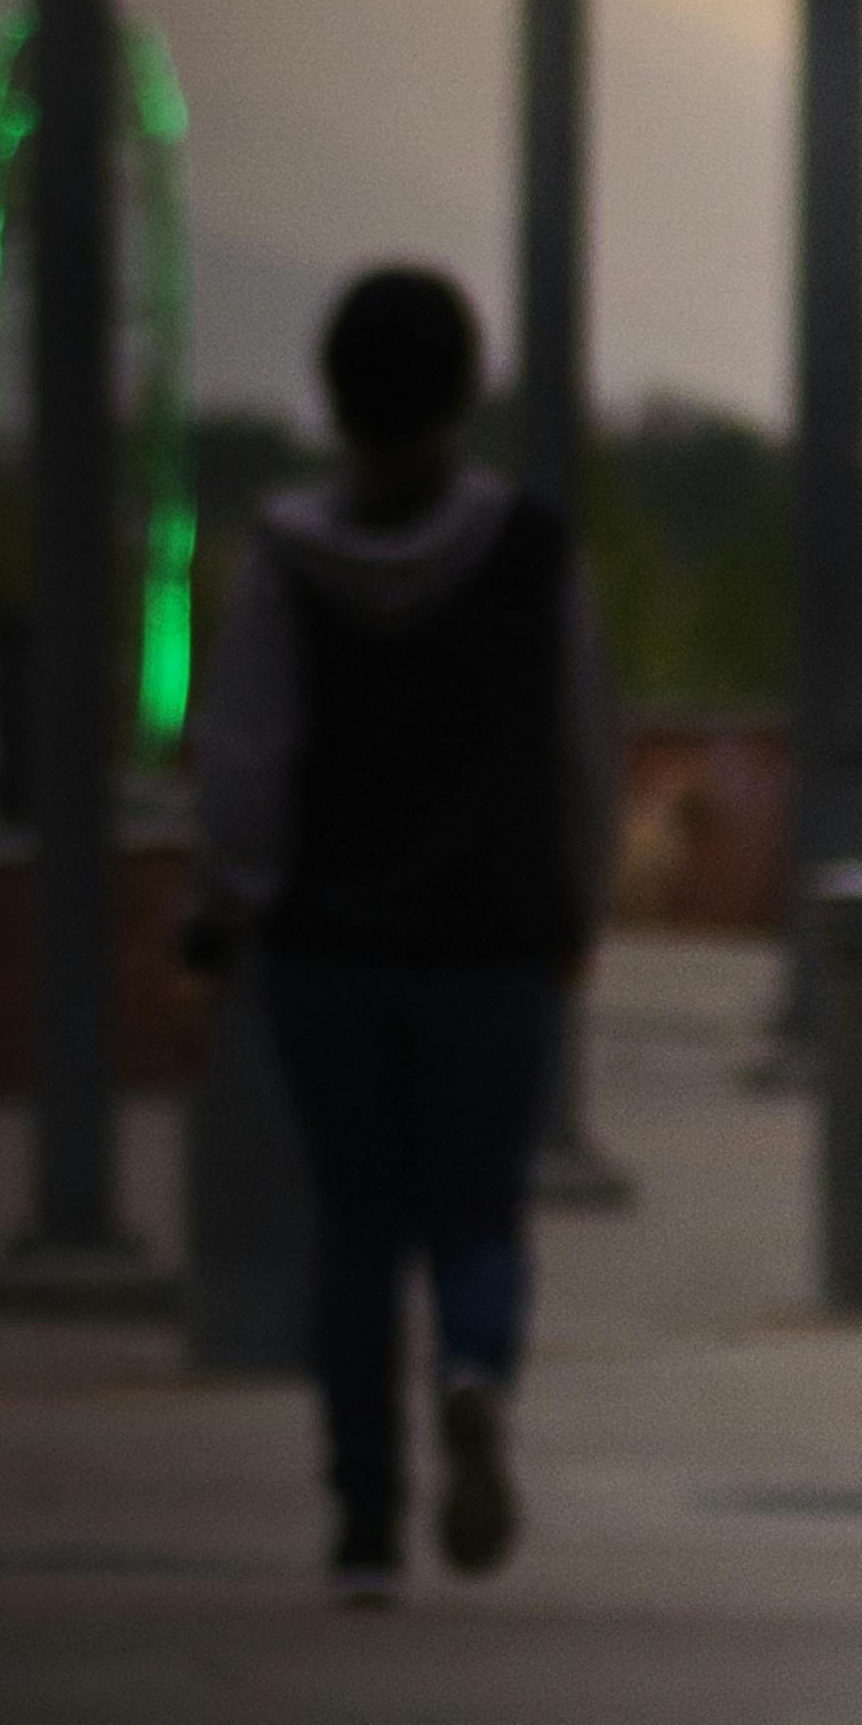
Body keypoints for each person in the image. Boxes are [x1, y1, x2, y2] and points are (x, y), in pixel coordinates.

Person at [193, 263, 620, 1601]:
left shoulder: (284, 563)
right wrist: (577, 903)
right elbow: (582, 748)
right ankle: (478, 1370)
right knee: (481, 1207)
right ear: (463, 389)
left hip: (330, 949)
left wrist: (229, 907)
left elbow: (246, 759)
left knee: (357, 1222)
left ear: (332, 400)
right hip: (494, 945)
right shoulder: (532, 553)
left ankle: (365, 1521)